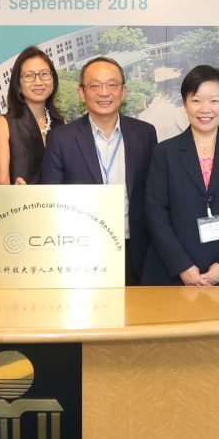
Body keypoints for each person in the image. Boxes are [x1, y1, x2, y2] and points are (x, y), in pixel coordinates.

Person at [41, 56, 157, 283]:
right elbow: (51, 199)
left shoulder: (144, 133)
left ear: (123, 91)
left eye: (112, 85)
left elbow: (154, 194)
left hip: (135, 247)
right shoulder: (61, 138)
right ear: (82, 93)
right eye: (95, 85)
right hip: (83, 251)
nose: (104, 93)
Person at [143, 66, 219, 285]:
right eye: (196, 100)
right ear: (185, 104)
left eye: (214, 101)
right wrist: (183, 267)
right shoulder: (164, 153)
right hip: (175, 273)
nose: (205, 109)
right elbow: (156, 214)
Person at [0, 46, 65, 185]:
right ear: (17, 85)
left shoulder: (62, 124)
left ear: (53, 80)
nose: (38, 82)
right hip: (17, 205)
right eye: (29, 75)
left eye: (44, 74)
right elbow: (2, 184)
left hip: (59, 205)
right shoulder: (3, 124)